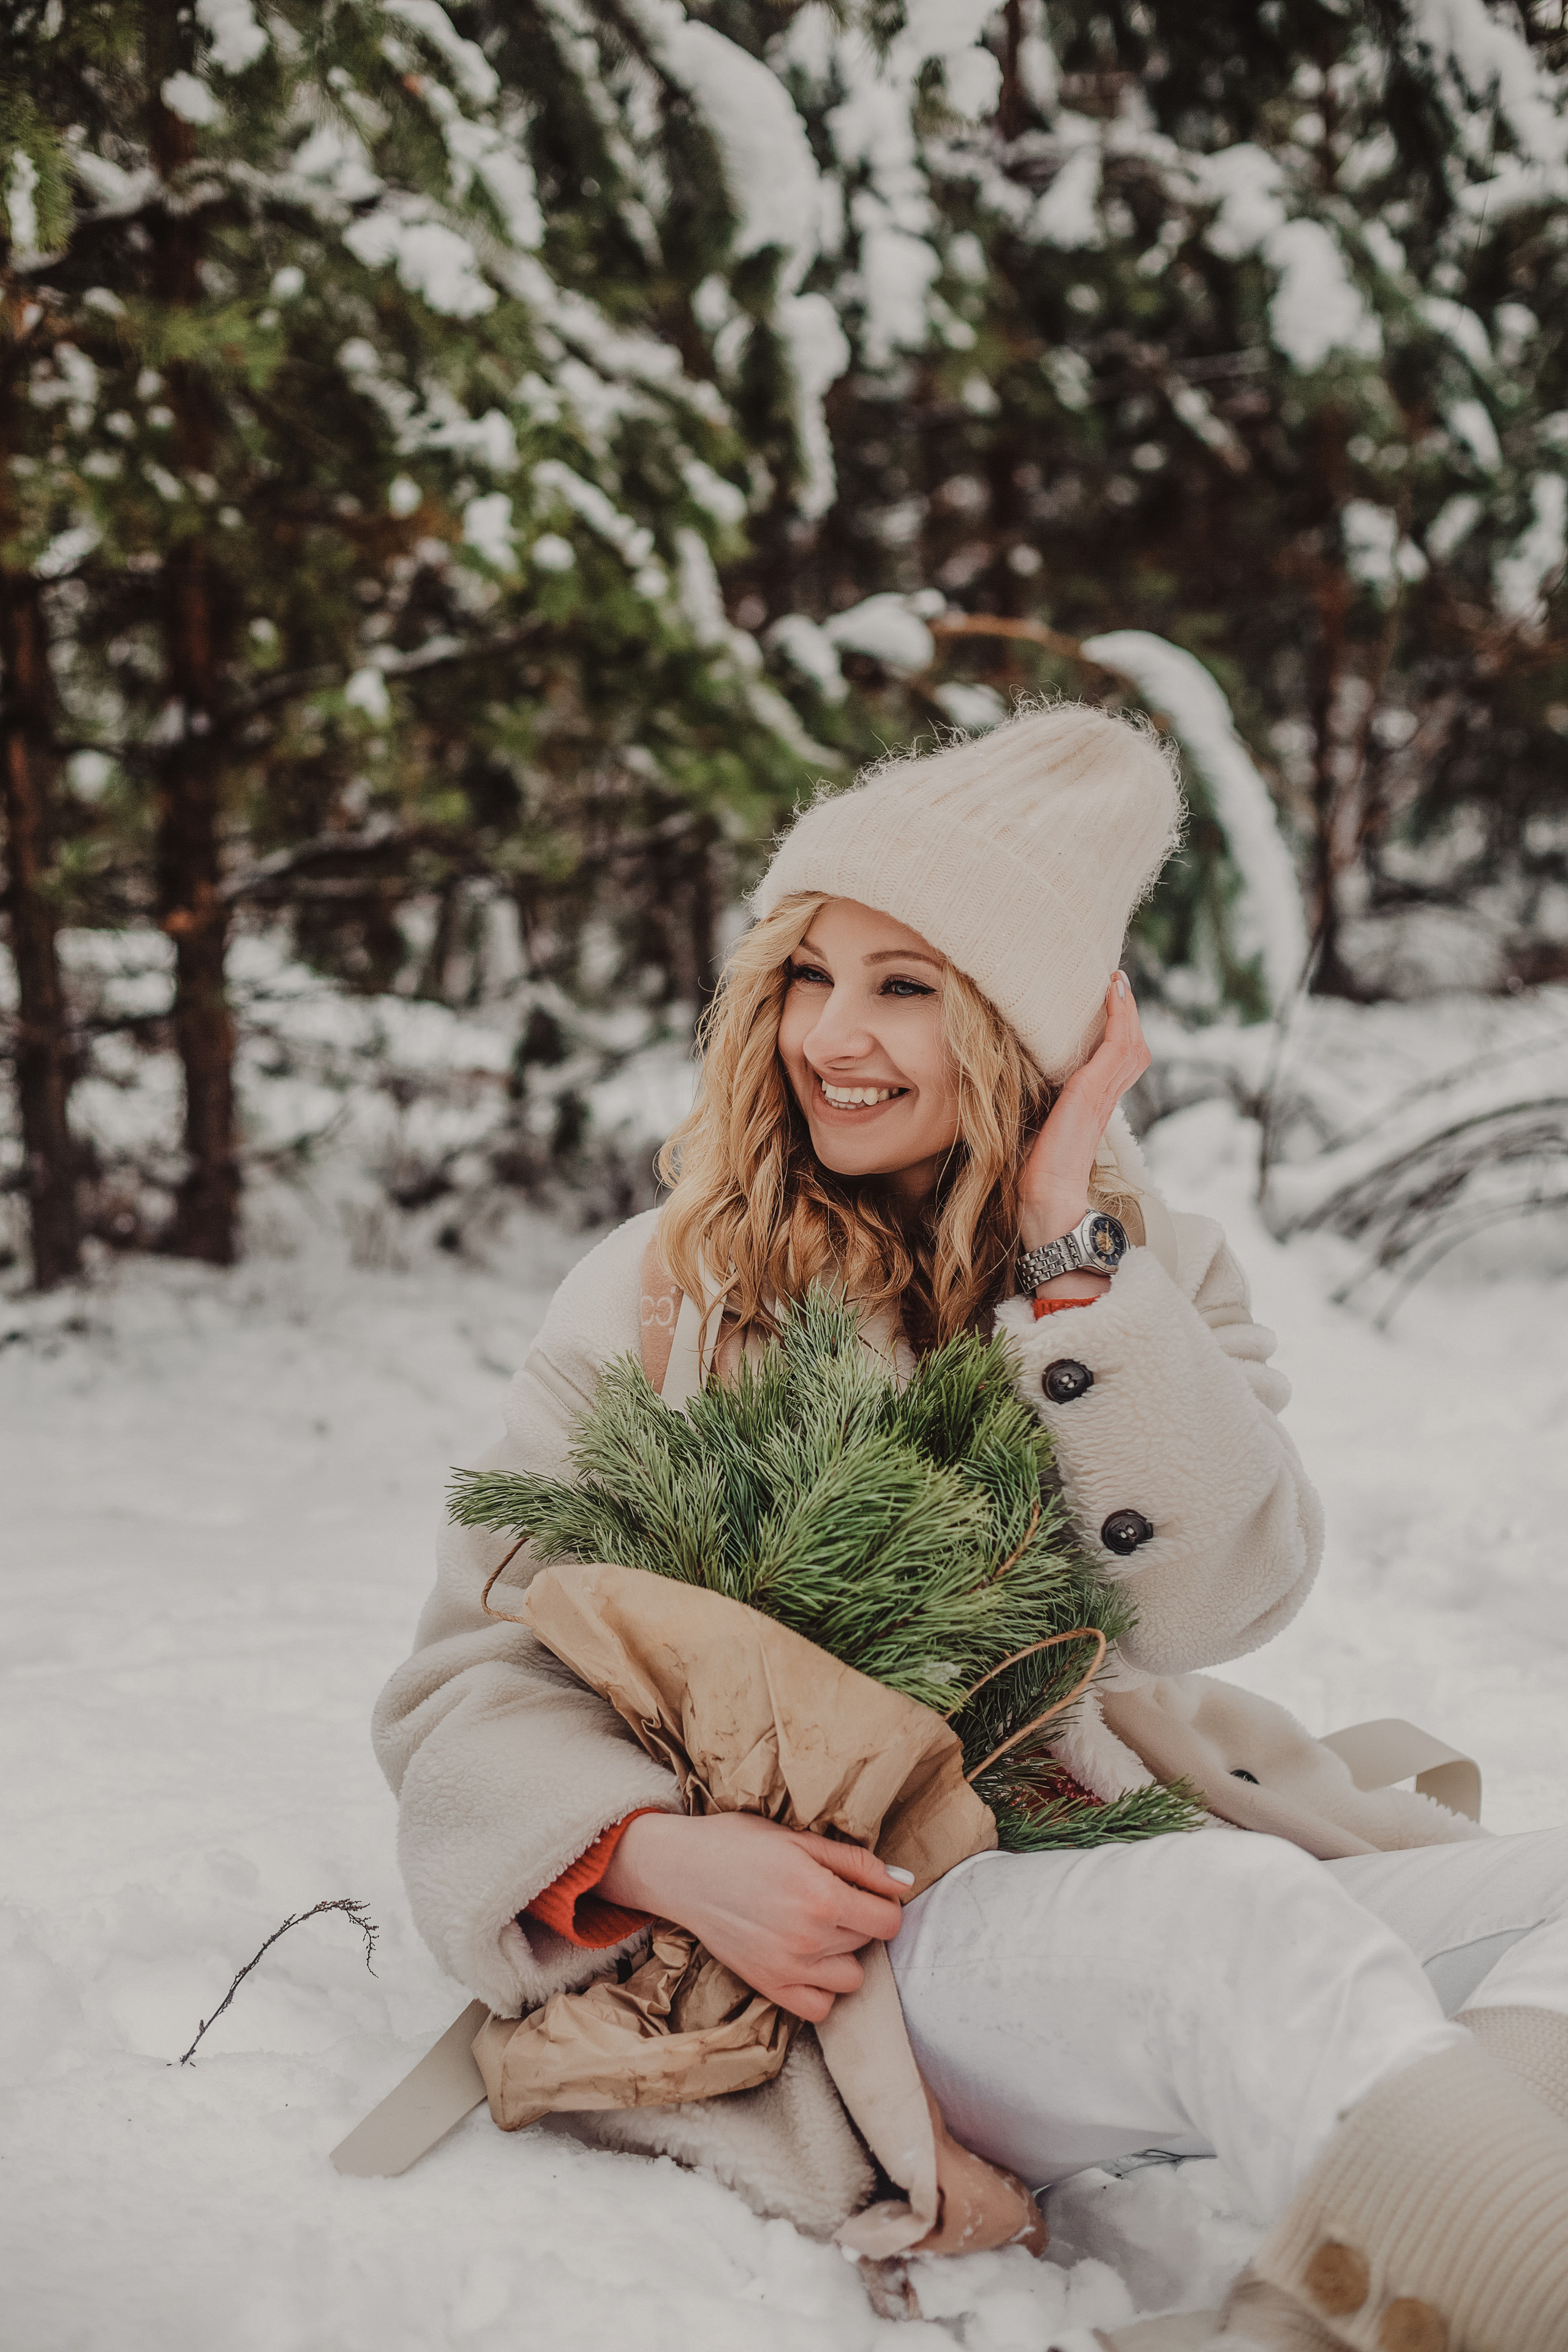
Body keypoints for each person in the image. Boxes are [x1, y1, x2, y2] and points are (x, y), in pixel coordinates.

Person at [374, 705, 1568, 2351]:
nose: (830, 1035)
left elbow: (1223, 1598)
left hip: (1113, 1865)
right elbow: (465, 1688)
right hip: (878, 1936)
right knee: (1252, 1930)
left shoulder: (1142, 1271)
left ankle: (1389, 2292)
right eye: (809, 973)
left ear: (1025, 1031)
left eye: (906, 986)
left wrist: (1065, 1255)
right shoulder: (677, 1291)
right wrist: (663, 1859)